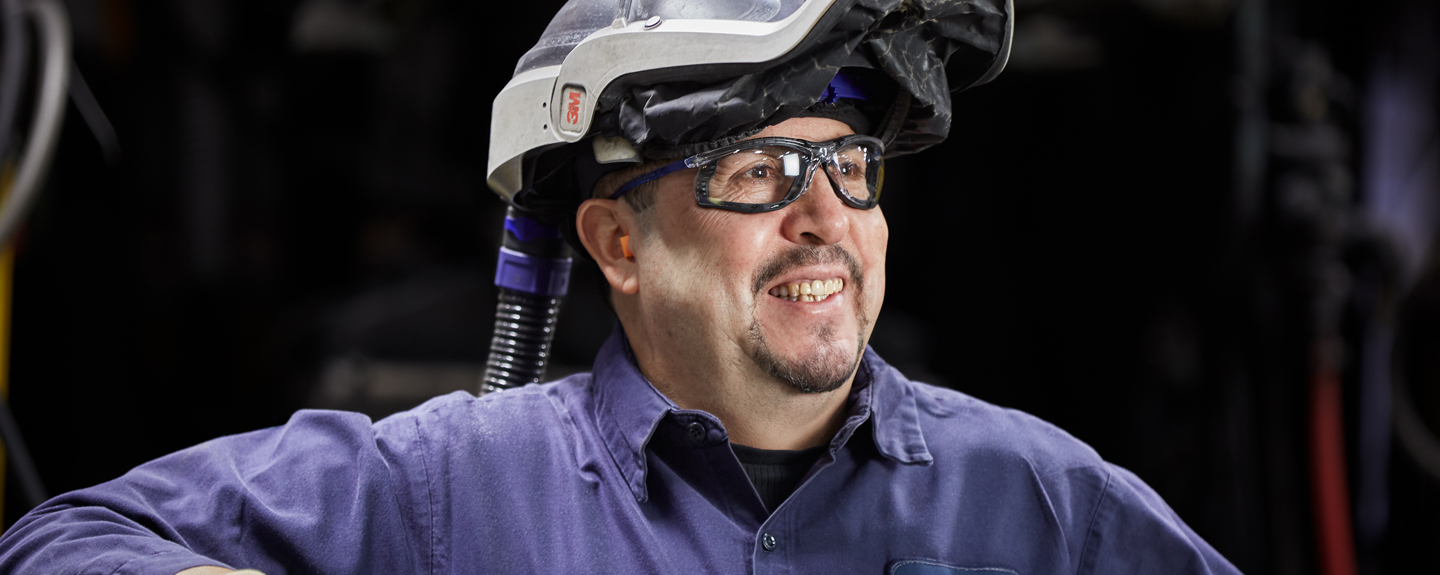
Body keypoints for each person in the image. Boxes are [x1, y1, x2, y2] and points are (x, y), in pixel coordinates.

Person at [0, 1, 1242, 573]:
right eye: (763, 169)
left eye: (851, 167)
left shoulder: (1039, 501)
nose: (827, 218)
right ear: (616, 241)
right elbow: (61, 537)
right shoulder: (455, 486)